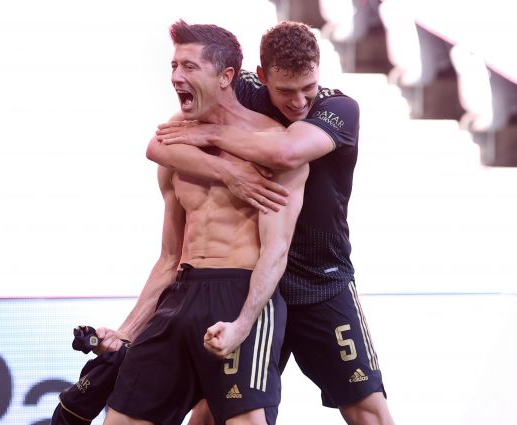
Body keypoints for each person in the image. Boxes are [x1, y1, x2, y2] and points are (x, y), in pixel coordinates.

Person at [150, 21, 395, 425]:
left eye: (308, 87)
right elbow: (160, 145)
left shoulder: (340, 108)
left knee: (369, 410)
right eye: (286, 91)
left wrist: (213, 134)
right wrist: (228, 172)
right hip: (251, 283)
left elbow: (286, 153)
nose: (299, 102)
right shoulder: (242, 90)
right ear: (262, 76)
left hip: (320, 280)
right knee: (211, 411)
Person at [99, 20, 308, 425]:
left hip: (240, 291)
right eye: (174, 65)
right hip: (181, 293)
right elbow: (168, 258)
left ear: (226, 76)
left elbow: (276, 251)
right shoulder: (174, 145)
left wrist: (241, 325)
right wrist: (125, 332)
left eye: (190, 67)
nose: (176, 76)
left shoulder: (274, 144)